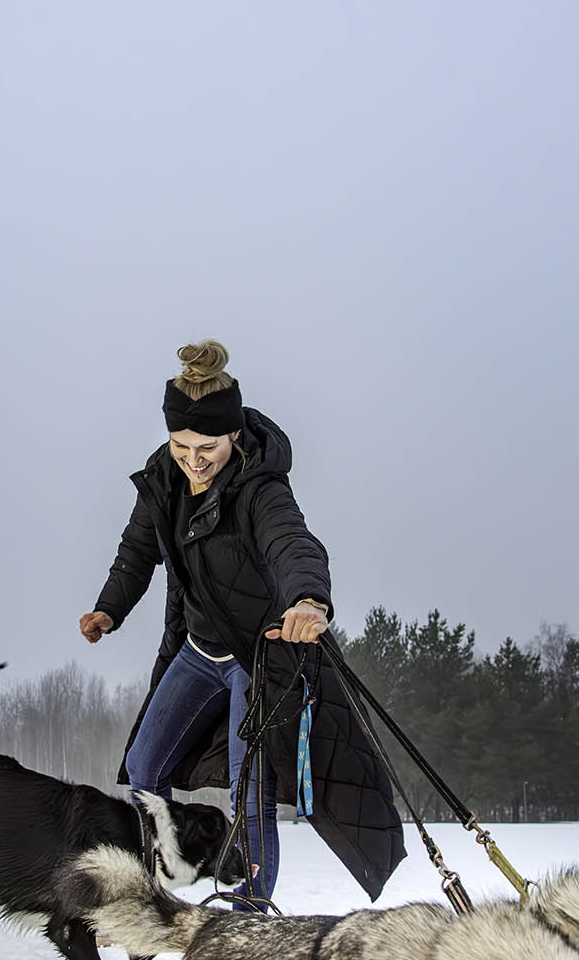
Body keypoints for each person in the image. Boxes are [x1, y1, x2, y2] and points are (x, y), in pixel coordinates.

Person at [80, 341, 405, 903]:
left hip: (257, 659)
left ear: (232, 435)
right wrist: (109, 608)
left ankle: (251, 918)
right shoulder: (163, 479)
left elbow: (293, 544)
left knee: (249, 791)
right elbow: (137, 552)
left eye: (207, 446)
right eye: (181, 445)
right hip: (196, 653)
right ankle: (152, 901)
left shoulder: (261, 487)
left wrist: (308, 600)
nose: (194, 459)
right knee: (143, 772)